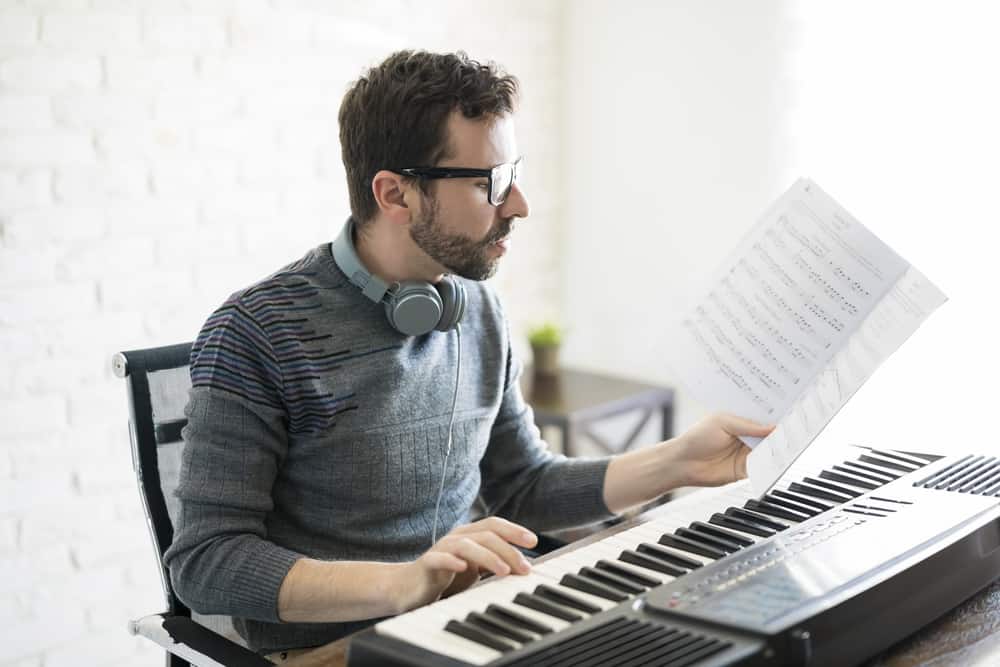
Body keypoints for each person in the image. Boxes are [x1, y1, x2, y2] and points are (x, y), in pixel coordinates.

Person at [163, 49, 773, 657]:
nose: (519, 205)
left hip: (468, 620)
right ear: (395, 194)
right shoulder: (256, 333)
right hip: (340, 646)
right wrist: (402, 584)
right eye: (491, 184)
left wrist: (682, 463)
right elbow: (206, 563)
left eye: (514, 173)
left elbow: (523, 486)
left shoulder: (477, 310)